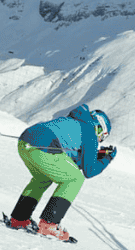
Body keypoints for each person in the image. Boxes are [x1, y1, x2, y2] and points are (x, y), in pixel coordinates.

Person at [7, 104, 116, 242]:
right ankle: (49, 224)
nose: (99, 140)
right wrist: (107, 158)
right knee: (75, 178)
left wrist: (94, 155)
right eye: (101, 136)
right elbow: (89, 171)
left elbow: (67, 158)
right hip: (43, 146)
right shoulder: (90, 131)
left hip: (25, 142)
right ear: (99, 127)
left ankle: (19, 218)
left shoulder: (77, 120)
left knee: (42, 178)